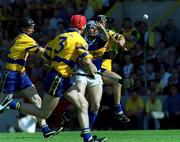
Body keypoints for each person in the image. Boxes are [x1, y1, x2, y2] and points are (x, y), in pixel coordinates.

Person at [0, 15, 107, 142]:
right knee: (43, 113)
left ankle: (87, 137)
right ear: (83, 26)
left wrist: (63, 66)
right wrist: (92, 70)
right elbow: (88, 63)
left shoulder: (59, 37)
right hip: (55, 78)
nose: (33, 28)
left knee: (83, 104)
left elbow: (48, 56)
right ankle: (11, 104)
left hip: (57, 76)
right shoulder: (80, 40)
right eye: (30, 26)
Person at [0, 17, 61, 138]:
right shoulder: (25, 39)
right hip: (11, 74)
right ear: (23, 28)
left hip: (21, 74)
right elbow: (42, 52)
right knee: (2, 106)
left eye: (33, 26)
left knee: (37, 100)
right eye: (30, 27)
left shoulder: (21, 38)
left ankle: (45, 130)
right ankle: (9, 106)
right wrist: (56, 59)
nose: (33, 28)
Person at [95, 14, 133, 122]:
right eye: (100, 22)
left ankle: (69, 113)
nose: (102, 24)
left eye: (103, 22)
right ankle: (118, 110)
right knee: (118, 81)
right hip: (97, 68)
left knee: (91, 101)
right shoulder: (92, 34)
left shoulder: (109, 33)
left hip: (104, 70)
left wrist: (121, 41)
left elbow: (120, 36)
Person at [75, 20, 109, 128]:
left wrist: (102, 28)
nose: (94, 30)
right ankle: (84, 129)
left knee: (95, 106)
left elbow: (106, 37)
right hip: (81, 73)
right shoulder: (80, 40)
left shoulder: (99, 40)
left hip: (95, 74)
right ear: (86, 29)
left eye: (95, 28)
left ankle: (88, 127)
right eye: (91, 28)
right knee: (80, 101)